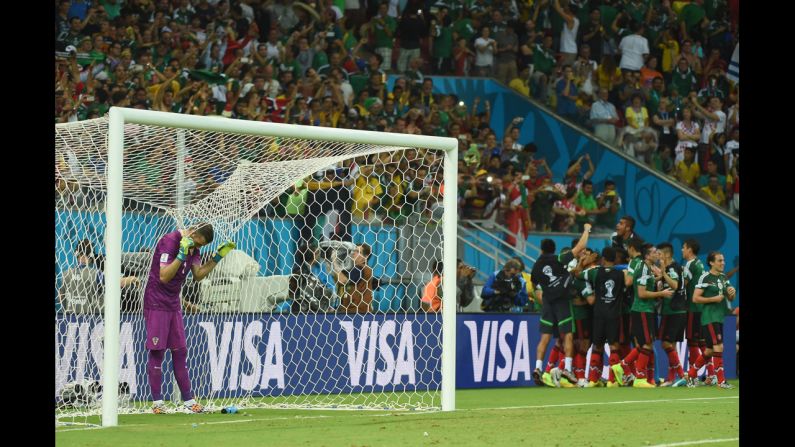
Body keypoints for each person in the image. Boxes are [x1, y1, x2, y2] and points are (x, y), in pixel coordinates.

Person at [145, 223, 235, 414]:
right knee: (158, 352)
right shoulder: (170, 241)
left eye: (201, 246)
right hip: (156, 302)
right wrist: (181, 255)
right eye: (198, 243)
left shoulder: (193, 247)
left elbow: (198, 275)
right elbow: (163, 276)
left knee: (180, 351)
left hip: (173, 303)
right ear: (193, 232)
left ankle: (189, 402)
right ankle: (157, 404)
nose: (198, 248)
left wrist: (217, 257)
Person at [531, 223, 592, 387]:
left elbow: (536, 291)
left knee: (545, 338)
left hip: (547, 304)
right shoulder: (558, 259)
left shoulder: (536, 267)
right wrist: (586, 229)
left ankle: (538, 368)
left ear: (541, 250)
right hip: (563, 303)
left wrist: (545, 299)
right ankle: (568, 369)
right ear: (553, 249)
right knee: (568, 335)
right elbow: (581, 247)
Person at [612, 244, 673, 387]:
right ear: (647, 255)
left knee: (646, 343)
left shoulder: (645, 268)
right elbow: (641, 293)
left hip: (647, 310)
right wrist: (661, 293)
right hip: (642, 310)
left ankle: (622, 366)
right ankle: (638, 377)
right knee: (647, 343)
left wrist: (660, 276)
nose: (657, 254)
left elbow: (647, 283)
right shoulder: (644, 268)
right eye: (654, 252)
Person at [573, 246, 628, 387]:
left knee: (597, 346)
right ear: (615, 259)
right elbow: (628, 284)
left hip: (598, 314)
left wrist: (581, 262)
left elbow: (577, 273)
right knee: (614, 346)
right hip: (614, 315)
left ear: (603, 259)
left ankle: (592, 379)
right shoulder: (621, 274)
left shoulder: (595, 272)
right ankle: (612, 380)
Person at [690, 251, 736, 389]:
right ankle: (721, 381)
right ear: (711, 262)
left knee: (710, 351)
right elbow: (695, 298)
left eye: (723, 260)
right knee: (719, 347)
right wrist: (713, 299)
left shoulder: (723, 278)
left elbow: (730, 298)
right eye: (720, 260)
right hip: (709, 317)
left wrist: (731, 293)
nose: (723, 263)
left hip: (719, 317)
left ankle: (691, 374)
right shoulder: (705, 277)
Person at [58, 239, 140, 314]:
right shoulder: (96, 274)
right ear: (91, 256)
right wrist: (133, 278)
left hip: (69, 320)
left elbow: (60, 297)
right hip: (90, 321)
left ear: (76, 254)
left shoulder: (65, 274)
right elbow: (117, 283)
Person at [656, 242, 689, 387]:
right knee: (672, 347)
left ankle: (682, 375)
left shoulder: (671, 268)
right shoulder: (673, 267)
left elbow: (675, 285)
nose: (658, 256)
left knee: (665, 343)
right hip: (678, 310)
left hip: (673, 311)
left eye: (659, 254)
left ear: (667, 255)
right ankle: (670, 378)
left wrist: (663, 273)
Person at [289, 243, 335, 313]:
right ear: (310, 255)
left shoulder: (321, 267)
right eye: (316, 253)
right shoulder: (299, 271)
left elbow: (330, 286)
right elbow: (307, 294)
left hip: (321, 305)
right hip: (304, 310)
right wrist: (324, 308)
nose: (319, 255)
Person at [335, 243, 374, 313]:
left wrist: (334, 261)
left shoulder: (360, 268)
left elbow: (342, 281)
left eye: (358, 252)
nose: (354, 253)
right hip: (354, 311)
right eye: (354, 251)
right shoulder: (357, 269)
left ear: (366, 257)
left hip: (356, 312)